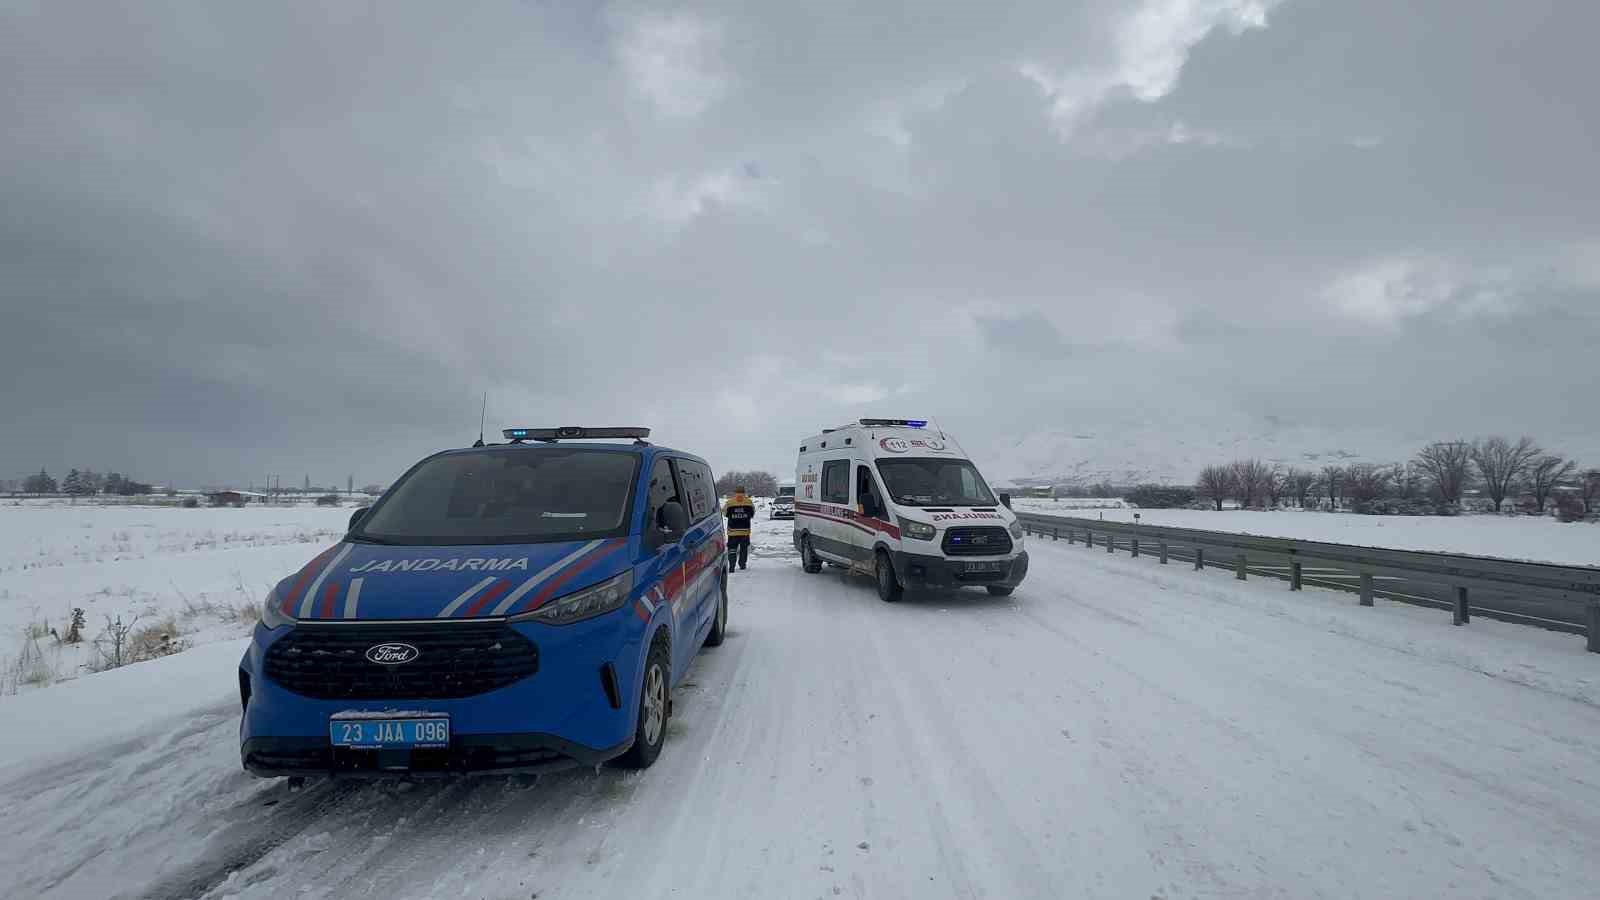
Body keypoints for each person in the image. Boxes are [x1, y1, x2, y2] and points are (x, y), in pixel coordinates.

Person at [723, 486, 755, 572]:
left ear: (735, 492)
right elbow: (752, 514)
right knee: (744, 548)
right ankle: (742, 564)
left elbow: (725, 513)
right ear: (744, 492)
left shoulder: (729, 503)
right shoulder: (749, 502)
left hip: (732, 531)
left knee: (732, 548)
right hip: (745, 531)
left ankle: (732, 566)